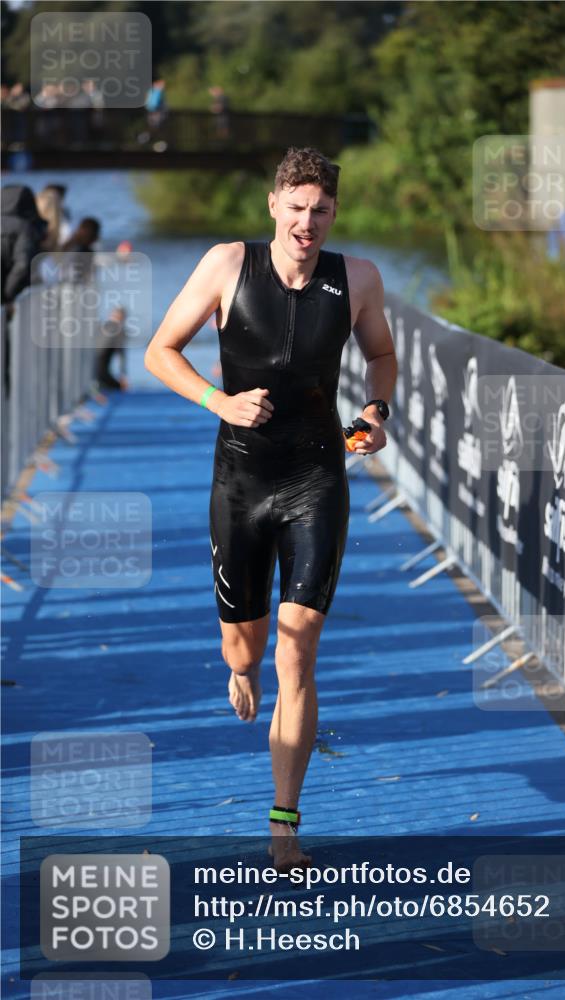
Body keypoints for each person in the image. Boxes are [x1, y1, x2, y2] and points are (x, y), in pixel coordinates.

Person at [144, 146, 397, 872]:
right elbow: (160, 351)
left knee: (300, 647)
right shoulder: (228, 264)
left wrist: (374, 412)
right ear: (273, 206)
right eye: (295, 209)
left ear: (333, 214)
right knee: (247, 649)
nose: (306, 224)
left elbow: (379, 356)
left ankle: (284, 823)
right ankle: (240, 668)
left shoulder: (358, 279)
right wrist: (217, 401)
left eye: (319, 211)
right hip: (241, 483)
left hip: (317, 477)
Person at [95, 307, 128, 391]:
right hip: (100, 371)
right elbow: (121, 355)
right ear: (122, 319)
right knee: (119, 389)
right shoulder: (119, 331)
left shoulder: (100, 328)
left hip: (91, 369)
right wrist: (123, 376)